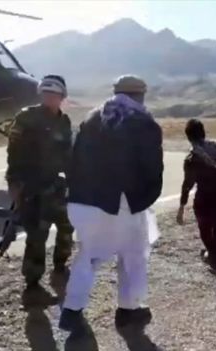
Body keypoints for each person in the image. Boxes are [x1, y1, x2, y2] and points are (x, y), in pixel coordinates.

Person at [59, 75, 163, 332]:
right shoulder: (144, 122)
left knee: (88, 256)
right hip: (121, 203)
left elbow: (72, 159)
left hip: (84, 200)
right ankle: (128, 310)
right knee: (133, 255)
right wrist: (142, 200)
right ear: (140, 95)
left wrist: (78, 192)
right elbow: (152, 170)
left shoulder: (92, 118)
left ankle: (71, 312)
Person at [5, 75, 74, 291]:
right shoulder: (27, 117)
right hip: (33, 186)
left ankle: (61, 265)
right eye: (46, 93)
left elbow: (67, 154)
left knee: (66, 227)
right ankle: (33, 281)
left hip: (57, 185)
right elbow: (13, 151)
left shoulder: (64, 121)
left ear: (62, 96)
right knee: (37, 235)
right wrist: (14, 182)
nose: (50, 98)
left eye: (54, 94)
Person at [176, 119, 216, 293]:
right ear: (203, 133)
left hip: (203, 201)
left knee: (205, 231)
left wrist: (182, 207)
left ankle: (212, 255)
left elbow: (187, 184)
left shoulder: (192, 158)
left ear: (188, 137)